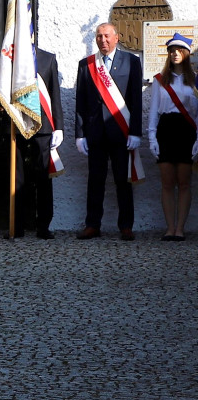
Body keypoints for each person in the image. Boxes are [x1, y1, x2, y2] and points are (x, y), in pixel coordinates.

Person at [74, 22, 143, 241]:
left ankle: (126, 225)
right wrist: (80, 134)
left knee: (123, 180)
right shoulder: (86, 65)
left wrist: (135, 132)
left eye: (106, 36)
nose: (102, 40)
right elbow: (81, 102)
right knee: (95, 180)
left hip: (121, 132)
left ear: (117, 38)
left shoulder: (131, 62)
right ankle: (92, 224)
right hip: (95, 133)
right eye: (99, 36)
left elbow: (136, 99)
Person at [147, 32, 197, 241]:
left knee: (184, 181)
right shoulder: (160, 81)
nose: (174, 54)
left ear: (186, 53)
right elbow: (154, 111)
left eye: (178, 50)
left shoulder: (195, 80)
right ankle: (170, 228)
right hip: (166, 130)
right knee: (167, 182)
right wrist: (152, 137)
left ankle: (180, 228)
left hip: (187, 130)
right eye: (171, 51)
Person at [11, 44, 63, 239]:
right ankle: (16, 225)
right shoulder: (10, 56)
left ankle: (43, 226)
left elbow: (54, 93)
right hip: (17, 123)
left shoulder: (47, 58)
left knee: (42, 176)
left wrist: (59, 126)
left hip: (43, 126)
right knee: (17, 177)